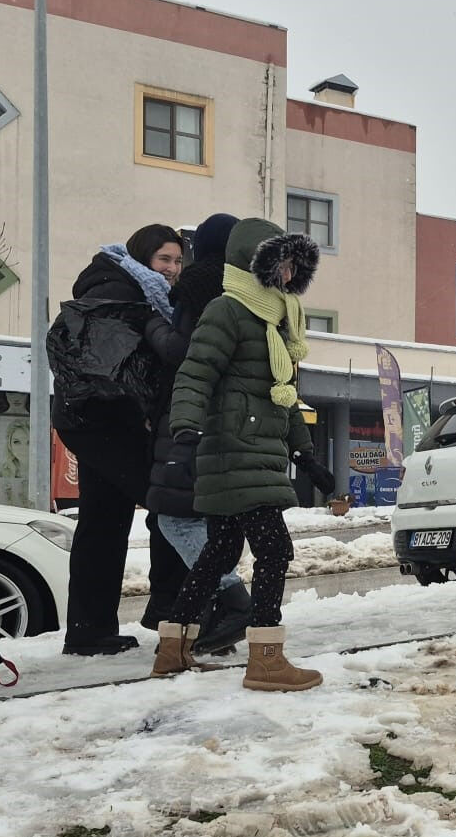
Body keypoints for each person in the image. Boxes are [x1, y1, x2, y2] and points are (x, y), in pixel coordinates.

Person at [144, 214, 337, 656]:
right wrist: (186, 429)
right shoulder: (227, 311)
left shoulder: (277, 325)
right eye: (281, 263)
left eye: (293, 266)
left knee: (218, 553)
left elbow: (283, 397)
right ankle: (266, 658)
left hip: (256, 452)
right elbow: (194, 372)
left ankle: (173, 647)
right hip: (235, 450)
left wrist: (305, 456)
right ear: (256, 263)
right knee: (275, 552)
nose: (287, 274)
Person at [55, 224, 189, 656]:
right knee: (169, 502)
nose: (171, 269)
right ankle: (172, 609)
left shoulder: (116, 286)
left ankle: (88, 630)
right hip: (109, 422)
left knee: (102, 521)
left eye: (177, 260)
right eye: (164, 259)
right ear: (142, 257)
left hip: (88, 422)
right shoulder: (121, 292)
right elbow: (118, 368)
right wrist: (146, 415)